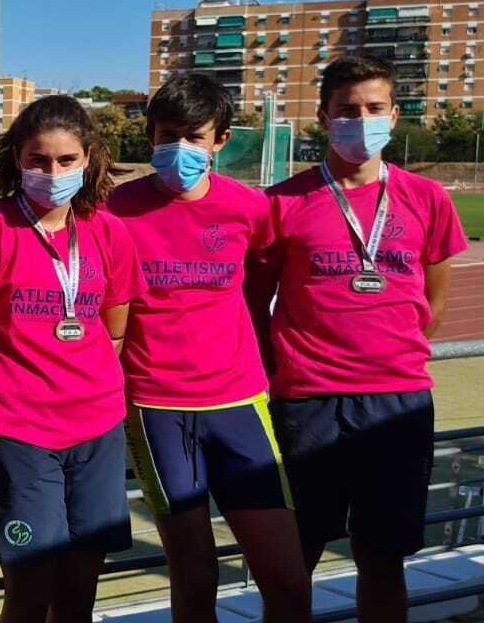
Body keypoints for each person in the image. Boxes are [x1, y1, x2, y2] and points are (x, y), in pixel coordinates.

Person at [247, 54, 466, 623]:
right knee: (295, 562)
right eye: (347, 110)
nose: (360, 120)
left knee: (383, 559)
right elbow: (253, 302)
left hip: (397, 403)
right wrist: (283, 373)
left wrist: (388, 352)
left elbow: (434, 301)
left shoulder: (428, 198)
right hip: (307, 403)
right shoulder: (282, 202)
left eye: (373, 108)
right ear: (324, 117)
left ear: (394, 116)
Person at [108, 74, 310, 623]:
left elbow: (262, 284)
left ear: (221, 140)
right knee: (195, 577)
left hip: (239, 405)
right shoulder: (114, 210)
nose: (181, 149)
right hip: (156, 410)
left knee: (287, 580)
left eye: (195, 137)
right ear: (150, 135)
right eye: (168, 134)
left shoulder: (249, 208)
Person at [0, 95, 139, 623]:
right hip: (16, 434)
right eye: (38, 160)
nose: (52, 172)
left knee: (80, 588)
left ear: (89, 159)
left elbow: (114, 332)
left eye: (66, 161)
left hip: (96, 430)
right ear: (17, 160)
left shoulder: (108, 231)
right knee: (29, 589)